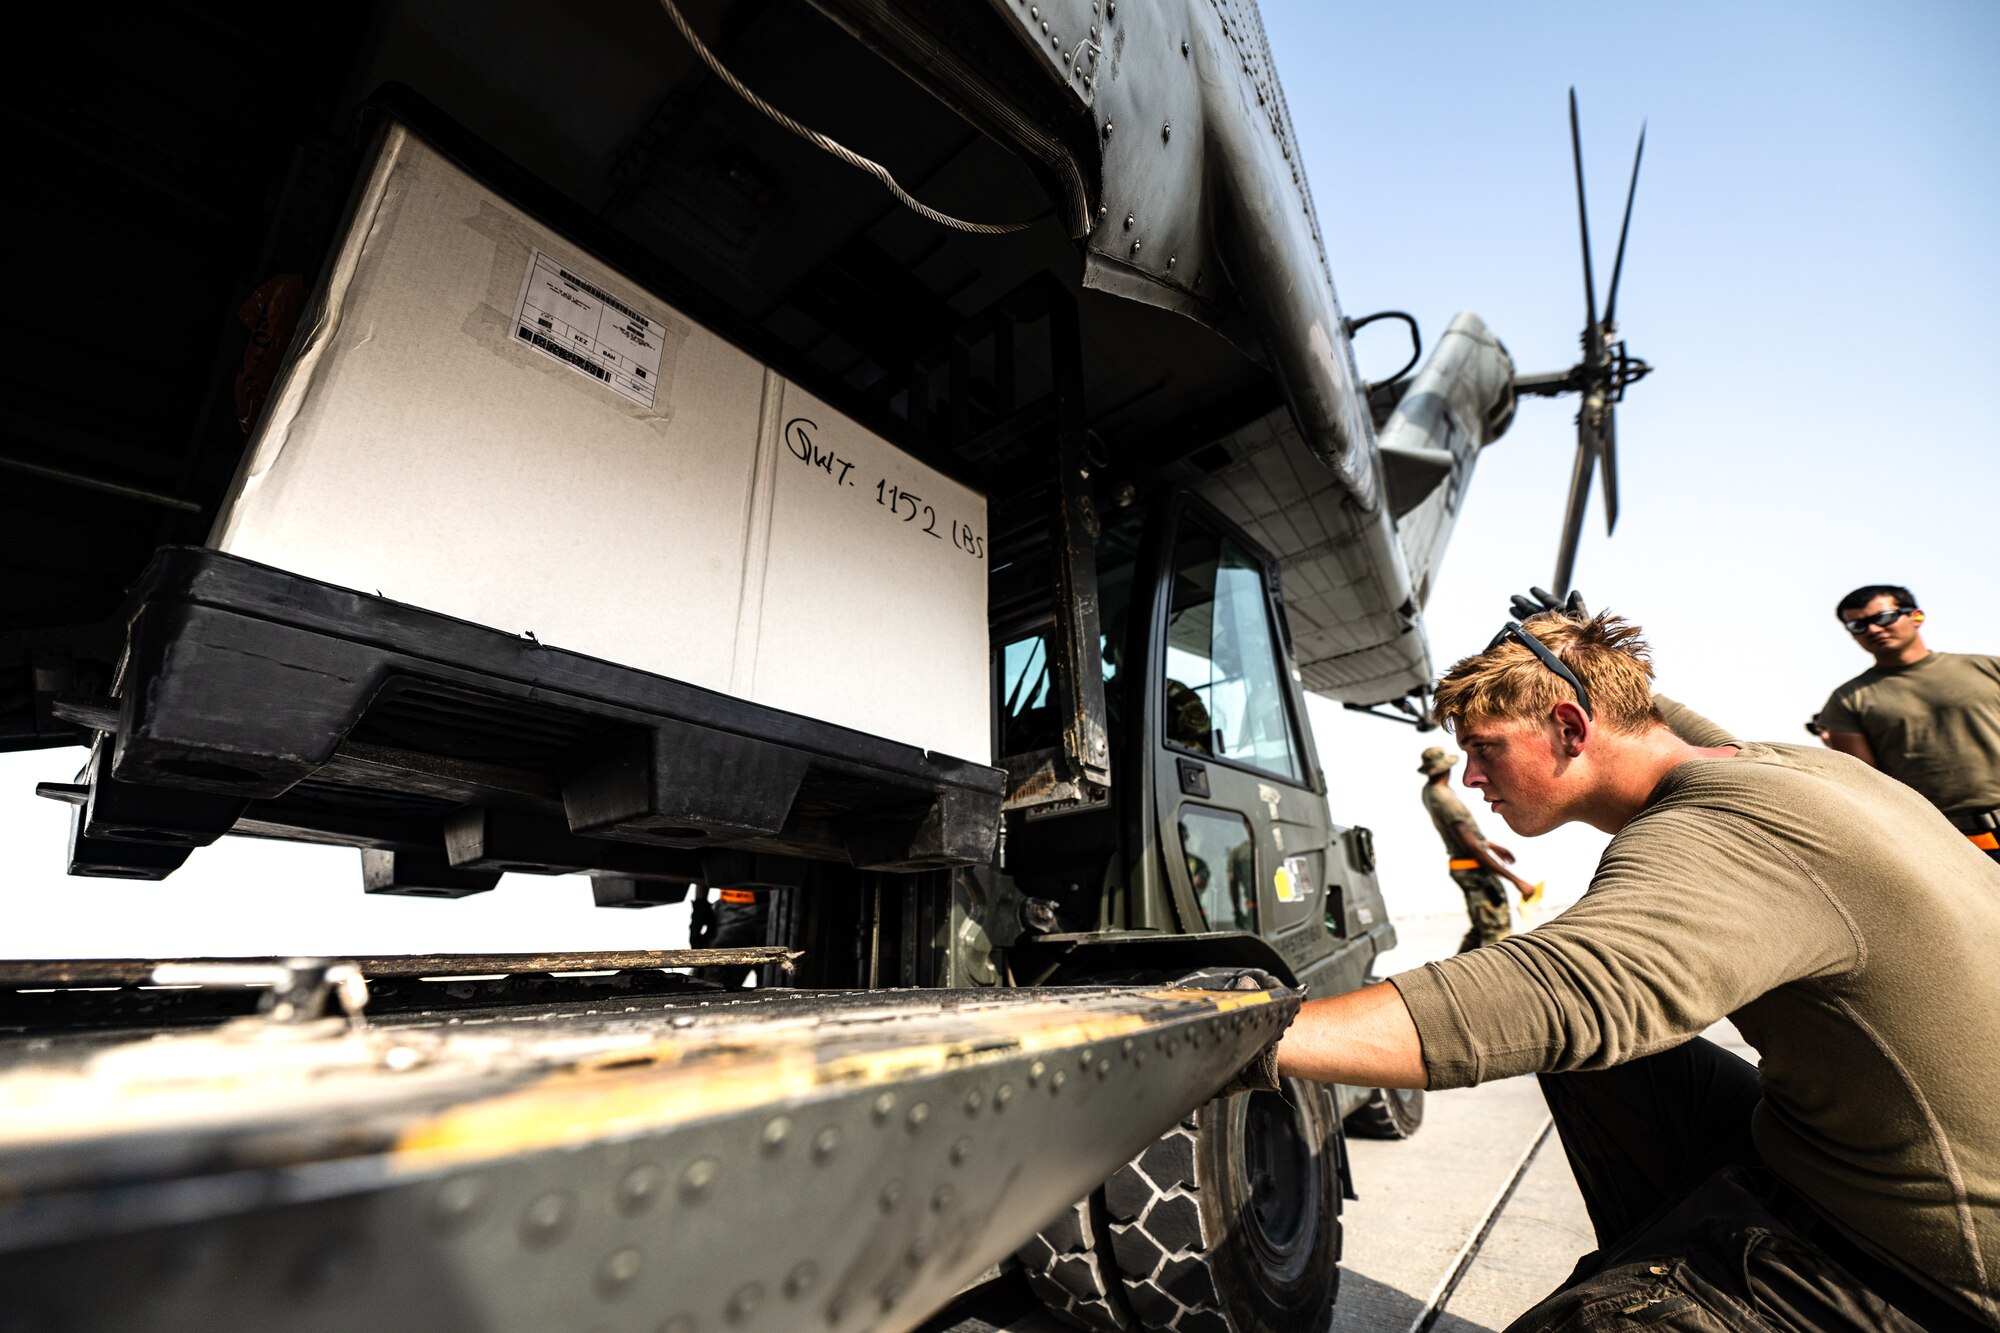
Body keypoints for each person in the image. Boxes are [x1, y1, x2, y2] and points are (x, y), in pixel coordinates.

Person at [1235, 608, 1999, 1331]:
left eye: (1486, 746)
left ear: (1570, 726)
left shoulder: (1720, 833)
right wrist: (1568, 646)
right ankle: (1672, 1260)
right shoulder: (1784, 769)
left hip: (1924, 1265)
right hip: (1853, 1159)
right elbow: (1645, 718)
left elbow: (1564, 989)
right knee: (1601, 1068)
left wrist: (1235, 1025)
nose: (1472, 775)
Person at [1818, 584, 2000, 862]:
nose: (1873, 630)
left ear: (1916, 616)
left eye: (1882, 618)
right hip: (1946, 845)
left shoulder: (1988, 668)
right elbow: (1868, 785)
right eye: (1857, 625)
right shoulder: (1848, 700)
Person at [1417, 745, 1539, 950]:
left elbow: (1462, 836)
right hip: (1473, 868)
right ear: (1447, 769)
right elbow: (1472, 846)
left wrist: (1490, 845)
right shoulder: (1446, 800)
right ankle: (1493, 980)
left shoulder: (1430, 791)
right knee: (1496, 932)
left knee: (1480, 929)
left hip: (1461, 865)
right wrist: (1517, 881)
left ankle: (1455, 979)